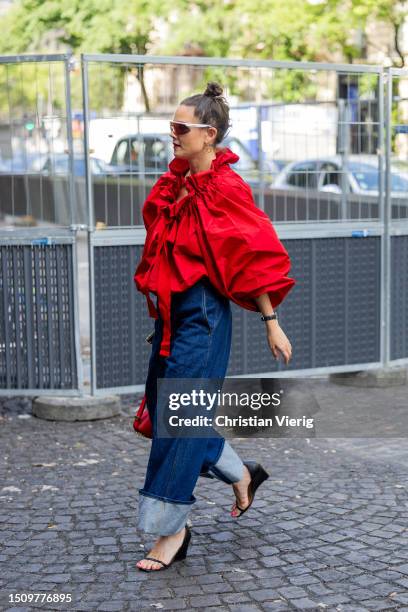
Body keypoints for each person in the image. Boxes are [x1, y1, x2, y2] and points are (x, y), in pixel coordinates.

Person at [133, 82, 296, 572]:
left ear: (210, 135)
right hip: (172, 316)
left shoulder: (226, 187)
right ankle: (241, 472)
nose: (173, 135)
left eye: (181, 128)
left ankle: (171, 529)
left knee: (178, 422)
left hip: (203, 317)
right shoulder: (176, 182)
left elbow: (252, 255)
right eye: (171, 127)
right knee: (171, 413)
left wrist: (272, 322)